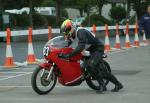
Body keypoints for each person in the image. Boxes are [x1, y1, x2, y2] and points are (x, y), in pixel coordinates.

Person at [60, 19, 123, 93]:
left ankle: (102, 85)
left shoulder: (80, 32)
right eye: (65, 31)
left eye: (67, 30)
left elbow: (80, 47)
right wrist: (59, 50)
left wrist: (68, 55)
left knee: (91, 65)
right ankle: (118, 84)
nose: (66, 33)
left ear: (72, 27)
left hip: (97, 49)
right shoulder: (71, 35)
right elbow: (66, 44)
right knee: (85, 67)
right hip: (89, 50)